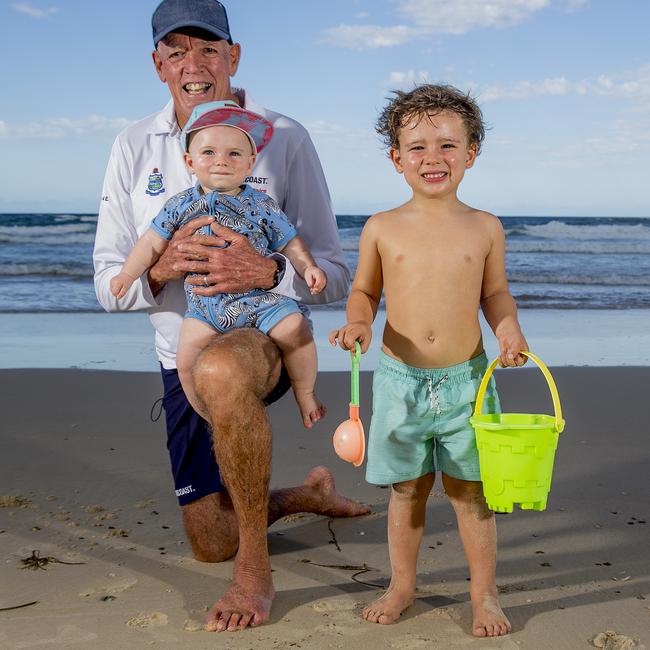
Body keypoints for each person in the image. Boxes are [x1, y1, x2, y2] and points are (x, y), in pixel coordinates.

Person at [93, 0, 369, 633]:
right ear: (157, 62)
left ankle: (254, 573)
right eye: (177, 50)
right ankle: (303, 497)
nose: (194, 64)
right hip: (181, 346)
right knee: (208, 539)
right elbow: (109, 282)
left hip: (260, 334)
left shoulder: (284, 136)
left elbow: (332, 268)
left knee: (219, 370)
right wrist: (158, 271)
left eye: (209, 48)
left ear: (233, 56)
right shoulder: (134, 144)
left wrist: (268, 271)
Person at [328, 84, 528, 637]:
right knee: (407, 489)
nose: (432, 158)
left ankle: (483, 594)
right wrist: (360, 323)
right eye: (417, 147)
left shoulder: (485, 226)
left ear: (472, 152)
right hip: (400, 380)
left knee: (470, 492)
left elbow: (494, 294)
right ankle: (402, 585)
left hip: (468, 378)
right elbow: (365, 292)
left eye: (447, 145)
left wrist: (508, 329)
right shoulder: (381, 226)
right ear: (396, 158)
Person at [110, 100, 327, 428]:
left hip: (261, 304)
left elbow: (289, 242)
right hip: (205, 307)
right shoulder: (180, 204)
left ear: (251, 163)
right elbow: (152, 242)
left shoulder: (261, 204)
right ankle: (204, 411)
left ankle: (305, 391)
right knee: (184, 359)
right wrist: (129, 273)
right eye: (208, 152)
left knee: (296, 330)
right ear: (189, 162)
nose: (221, 161)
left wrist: (308, 267)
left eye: (234, 154)